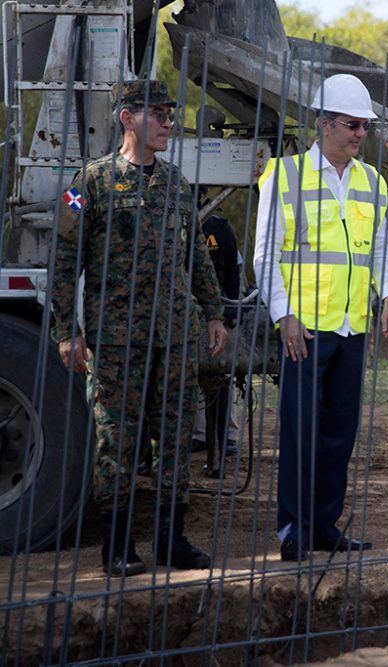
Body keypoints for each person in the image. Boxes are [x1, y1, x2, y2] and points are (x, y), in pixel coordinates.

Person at [51, 79, 228, 576]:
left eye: (171, 114)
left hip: (173, 338)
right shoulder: (90, 184)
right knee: (117, 441)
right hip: (116, 340)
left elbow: (197, 257)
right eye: (159, 114)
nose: (169, 122)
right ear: (128, 118)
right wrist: (68, 331)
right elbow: (65, 263)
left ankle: (172, 541)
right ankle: (118, 546)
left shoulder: (176, 184)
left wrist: (213, 312)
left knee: (173, 437)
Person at [254, 73, 388, 562]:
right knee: (300, 430)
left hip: (351, 326)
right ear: (323, 125)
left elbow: (379, 250)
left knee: (340, 432)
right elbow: (264, 255)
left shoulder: (372, 181)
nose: (360, 134)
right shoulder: (285, 175)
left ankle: (324, 524)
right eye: (352, 124)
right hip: (306, 328)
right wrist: (284, 314)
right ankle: (293, 530)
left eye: (365, 127)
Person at [192, 212, 242, 460]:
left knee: (220, 373)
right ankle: (206, 436)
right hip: (195, 309)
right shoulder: (218, 225)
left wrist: (231, 309)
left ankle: (223, 437)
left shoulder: (219, 227)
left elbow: (234, 267)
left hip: (214, 310)